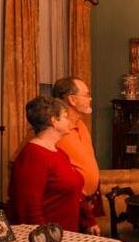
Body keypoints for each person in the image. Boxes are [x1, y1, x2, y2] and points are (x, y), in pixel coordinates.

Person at [8, 96, 84, 231]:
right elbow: (29, 207)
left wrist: (88, 220)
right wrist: (45, 236)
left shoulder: (60, 153)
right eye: (65, 116)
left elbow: (75, 190)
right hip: (48, 237)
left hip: (67, 233)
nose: (69, 121)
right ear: (54, 121)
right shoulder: (33, 155)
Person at [51, 76, 101, 234]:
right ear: (72, 99)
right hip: (67, 206)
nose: (90, 99)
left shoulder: (82, 125)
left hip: (86, 206)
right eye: (86, 95)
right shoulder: (54, 130)